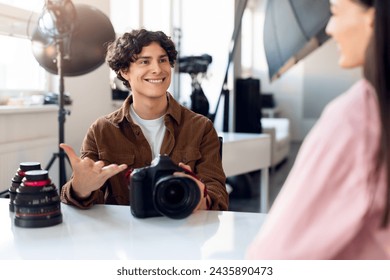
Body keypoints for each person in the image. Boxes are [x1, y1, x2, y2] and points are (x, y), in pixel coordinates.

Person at [247, 0, 390, 259]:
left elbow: (272, 258)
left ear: (373, 17)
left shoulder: (355, 119)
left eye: (335, 12)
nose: (331, 29)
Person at [60, 29, 228, 212]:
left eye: (163, 60)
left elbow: (218, 195)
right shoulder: (101, 131)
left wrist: (201, 198)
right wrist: (80, 189)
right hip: (123, 236)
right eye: (144, 61)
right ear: (124, 71)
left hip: (184, 232)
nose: (157, 69)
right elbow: (85, 200)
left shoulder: (201, 127)